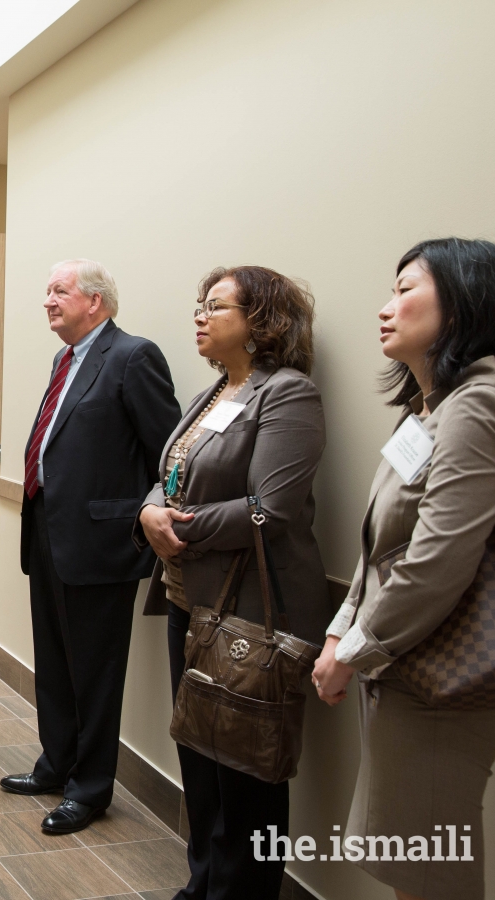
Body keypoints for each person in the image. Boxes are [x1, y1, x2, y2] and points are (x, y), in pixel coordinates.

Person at [136, 266, 328, 899]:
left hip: (248, 614)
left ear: (260, 322)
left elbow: (270, 509)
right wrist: (147, 511)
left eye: (215, 307)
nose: (200, 316)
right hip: (187, 602)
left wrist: (179, 527)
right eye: (201, 304)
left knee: (245, 779)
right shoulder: (215, 392)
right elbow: (173, 476)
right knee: (200, 760)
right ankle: (203, 885)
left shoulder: (287, 393)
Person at [313, 238, 495, 900]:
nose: (386, 308)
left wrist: (356, 648)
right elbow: (378, 550)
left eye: (405, 289)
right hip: (404, 665)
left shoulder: (477, 403)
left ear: (463, 300)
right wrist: (341, 630)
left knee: (430, 867)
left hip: (440, 679)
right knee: (412, 861)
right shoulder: (429, 410)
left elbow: (439, 557)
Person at [0, 259, 180, 834]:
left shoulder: (133, 356)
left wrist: (150, 514)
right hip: (48, 529)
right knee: (54, 661)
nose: (47, 300)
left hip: (102, 542)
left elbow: (169, 453)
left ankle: (91, 788)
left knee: (96, 673)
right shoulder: (65, 359)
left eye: (60, 291)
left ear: (95, 301)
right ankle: (56, 764)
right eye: (46, 291)